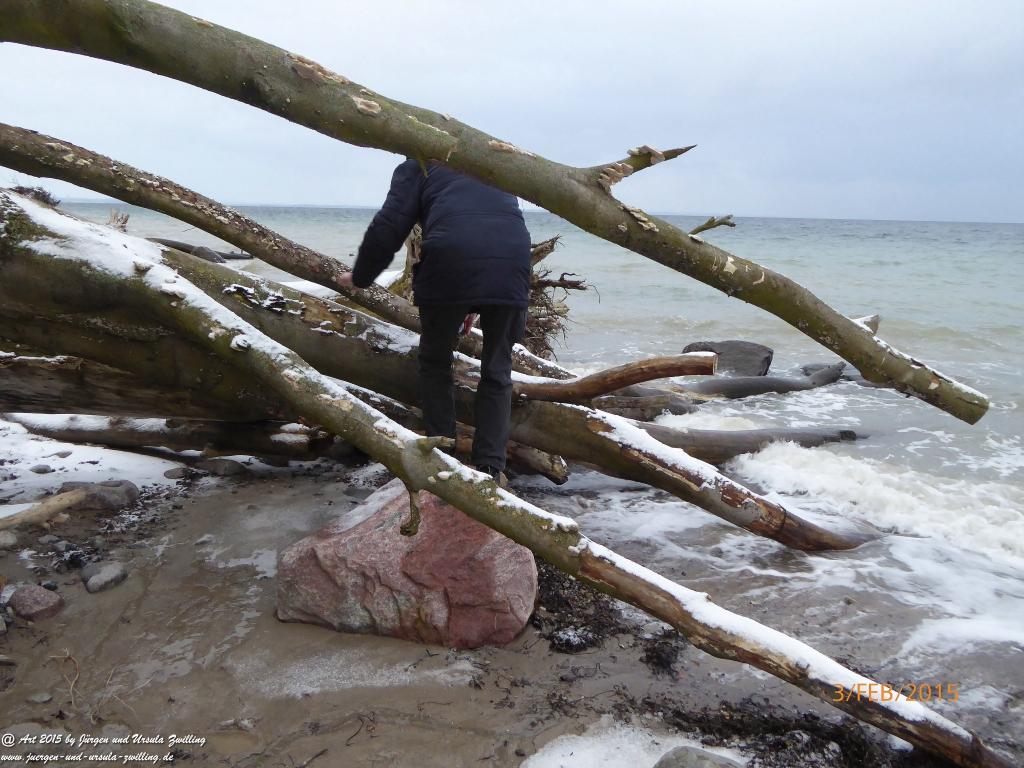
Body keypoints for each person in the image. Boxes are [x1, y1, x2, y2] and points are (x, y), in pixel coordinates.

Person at [339, 158, 532, 483]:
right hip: (512, 261)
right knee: (498, 371)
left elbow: (390, 224)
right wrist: (470, 302)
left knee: (435, 360)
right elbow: (485, 229)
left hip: (449, 259)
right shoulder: (488, 164)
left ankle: (443, 459)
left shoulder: (418, 165)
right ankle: (490, 470)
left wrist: (361, 276)